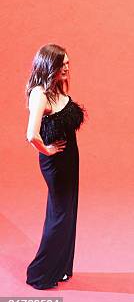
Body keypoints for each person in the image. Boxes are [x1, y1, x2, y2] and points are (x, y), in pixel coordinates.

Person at [24, 44, 86, 289]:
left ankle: (60, 268)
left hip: (70, 159)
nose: (68, 68)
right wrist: (47, 150)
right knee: (60, 216)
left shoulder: (55, 88)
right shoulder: (39, 93)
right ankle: (41, 273)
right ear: (49, 66)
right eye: (63, 64)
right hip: (56, 163)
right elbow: (31, 134)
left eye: (68, 63)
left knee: (67, 212)